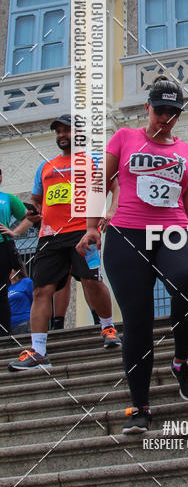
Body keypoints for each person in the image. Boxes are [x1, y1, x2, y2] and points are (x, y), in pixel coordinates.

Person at [77, 78, 188, 434]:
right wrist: (91, 226)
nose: (166, 117)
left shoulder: (186, 152)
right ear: (147, 108)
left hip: (174, 229)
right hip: (126, 234)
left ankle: (181, 361)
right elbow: (99, 184)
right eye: (160, 109)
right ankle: (140, 406)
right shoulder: (123, 138)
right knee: (138, 322)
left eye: (173, 112)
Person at [7, 115, 121, 372]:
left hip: (82, 231)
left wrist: (112, 210)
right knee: (40, 291)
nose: (61, 135)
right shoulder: (45, 167)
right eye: (58, 131)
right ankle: (38, 351)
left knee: (92, 282)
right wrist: (33, 212)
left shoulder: (95, 160)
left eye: (66, 130)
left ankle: (108, 328)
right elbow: (37, 200)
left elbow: (116, 186)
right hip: (49, 236)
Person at [0, 169, 33, 337]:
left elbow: (29, 217)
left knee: (2, 289)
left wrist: (15, 232)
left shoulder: (8, 198)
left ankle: (4, 332)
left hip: (3, 246)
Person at [8, 264, 33, 335]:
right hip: (9, 326)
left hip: (24, 323)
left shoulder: (26, 282)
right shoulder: (7, 287)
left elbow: (35, 301)